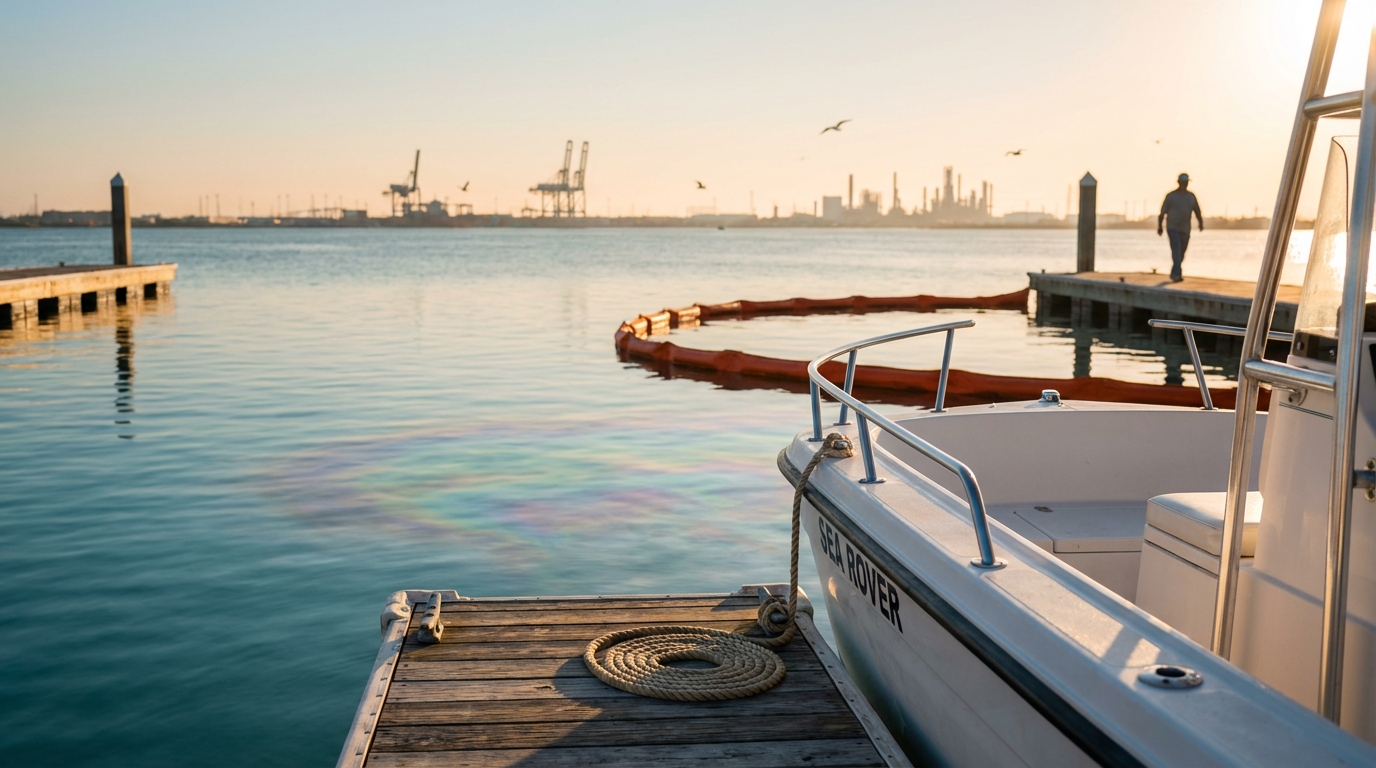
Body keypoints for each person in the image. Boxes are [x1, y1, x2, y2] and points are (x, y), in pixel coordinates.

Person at [1158, 173, 1204, 282]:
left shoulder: (1191, 196)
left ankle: (1174, 271)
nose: (1185, 184)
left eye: (1187, 182)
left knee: (1182, 252)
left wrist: (1200, 223)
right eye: (1184, 182)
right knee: (1176, 250)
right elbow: (1162, 212)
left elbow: (1197, 211)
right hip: (1172, 227)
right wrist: (1159, 226)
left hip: (1185, 229)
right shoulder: (1171, 196)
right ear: (1179, 182)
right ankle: (1177, 274)